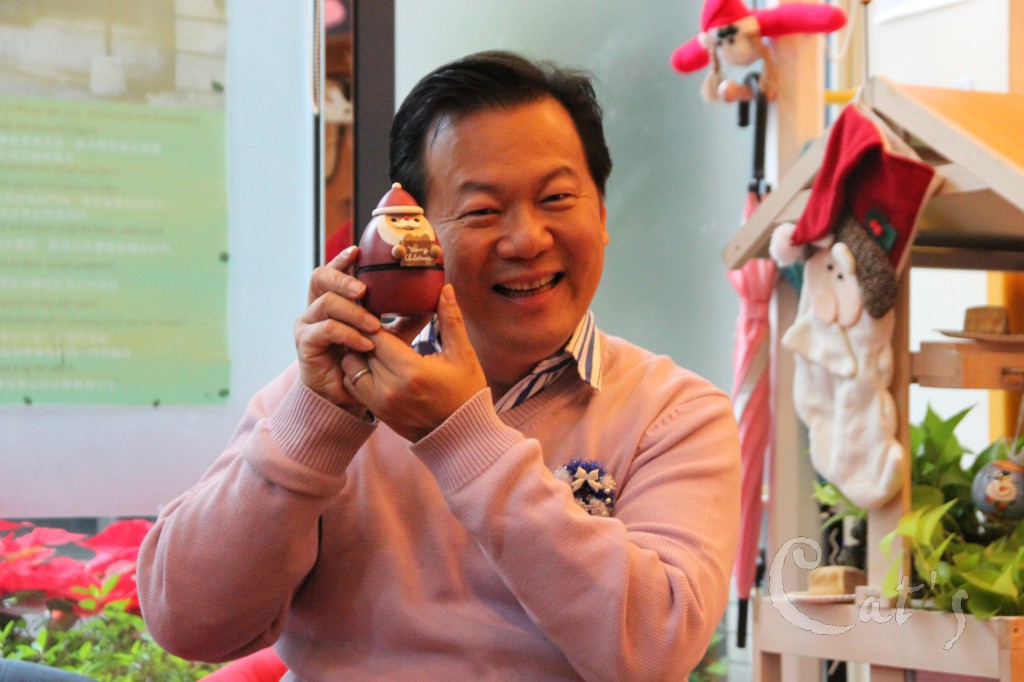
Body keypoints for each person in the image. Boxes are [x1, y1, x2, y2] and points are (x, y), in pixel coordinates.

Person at [137, 50, 741, 681]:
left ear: (602, 215)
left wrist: (462, 437)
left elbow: (655, 651)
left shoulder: (673, 414)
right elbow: (187, 622)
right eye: (482, 210)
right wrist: (316, 425)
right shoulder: (338, 391)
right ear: (417, 236)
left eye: (557, 198)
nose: (527, 240)